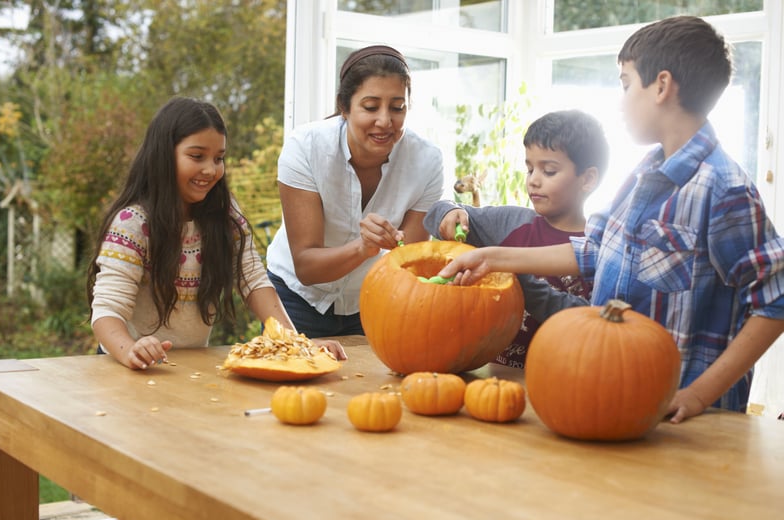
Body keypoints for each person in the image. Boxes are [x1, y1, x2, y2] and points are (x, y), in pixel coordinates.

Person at [437, 15, 784, 423]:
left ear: (661, 86)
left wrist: (698, 395)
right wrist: (494, 258)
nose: (621, 100)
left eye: (625, 83)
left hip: (681, 419)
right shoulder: (641, 176)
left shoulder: (724, 188)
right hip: (616, 399)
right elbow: (596, 251)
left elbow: (775, 300)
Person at [87, 96, 345, 370]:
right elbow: (107, 310)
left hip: (188, 366)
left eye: (218, 158)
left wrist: (297, 343)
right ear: (163, 155)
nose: (211, 170)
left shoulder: (225, 213)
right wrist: (130, 350)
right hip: (126, 366)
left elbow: (253, 280)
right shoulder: (132, 224)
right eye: (197, 156)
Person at [266, 45, 445, 338]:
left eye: (397, 107)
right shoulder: (305, 148)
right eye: (371, 107)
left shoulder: (426, 161)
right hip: (297, 297)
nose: (385, 121)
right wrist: (363, 248)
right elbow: (307, 267)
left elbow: (406, 263)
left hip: (369, 299)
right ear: (345, 107)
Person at [424, 109, 609, 368]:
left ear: (587, 179)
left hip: (565, 382)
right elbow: (435, 212)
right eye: (530, 168)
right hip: (495, 381)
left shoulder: (604, 250)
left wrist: (522, 281)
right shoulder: (510, 223)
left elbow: (590, 320)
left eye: (549, 171)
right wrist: (450, 212)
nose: (533, 180)